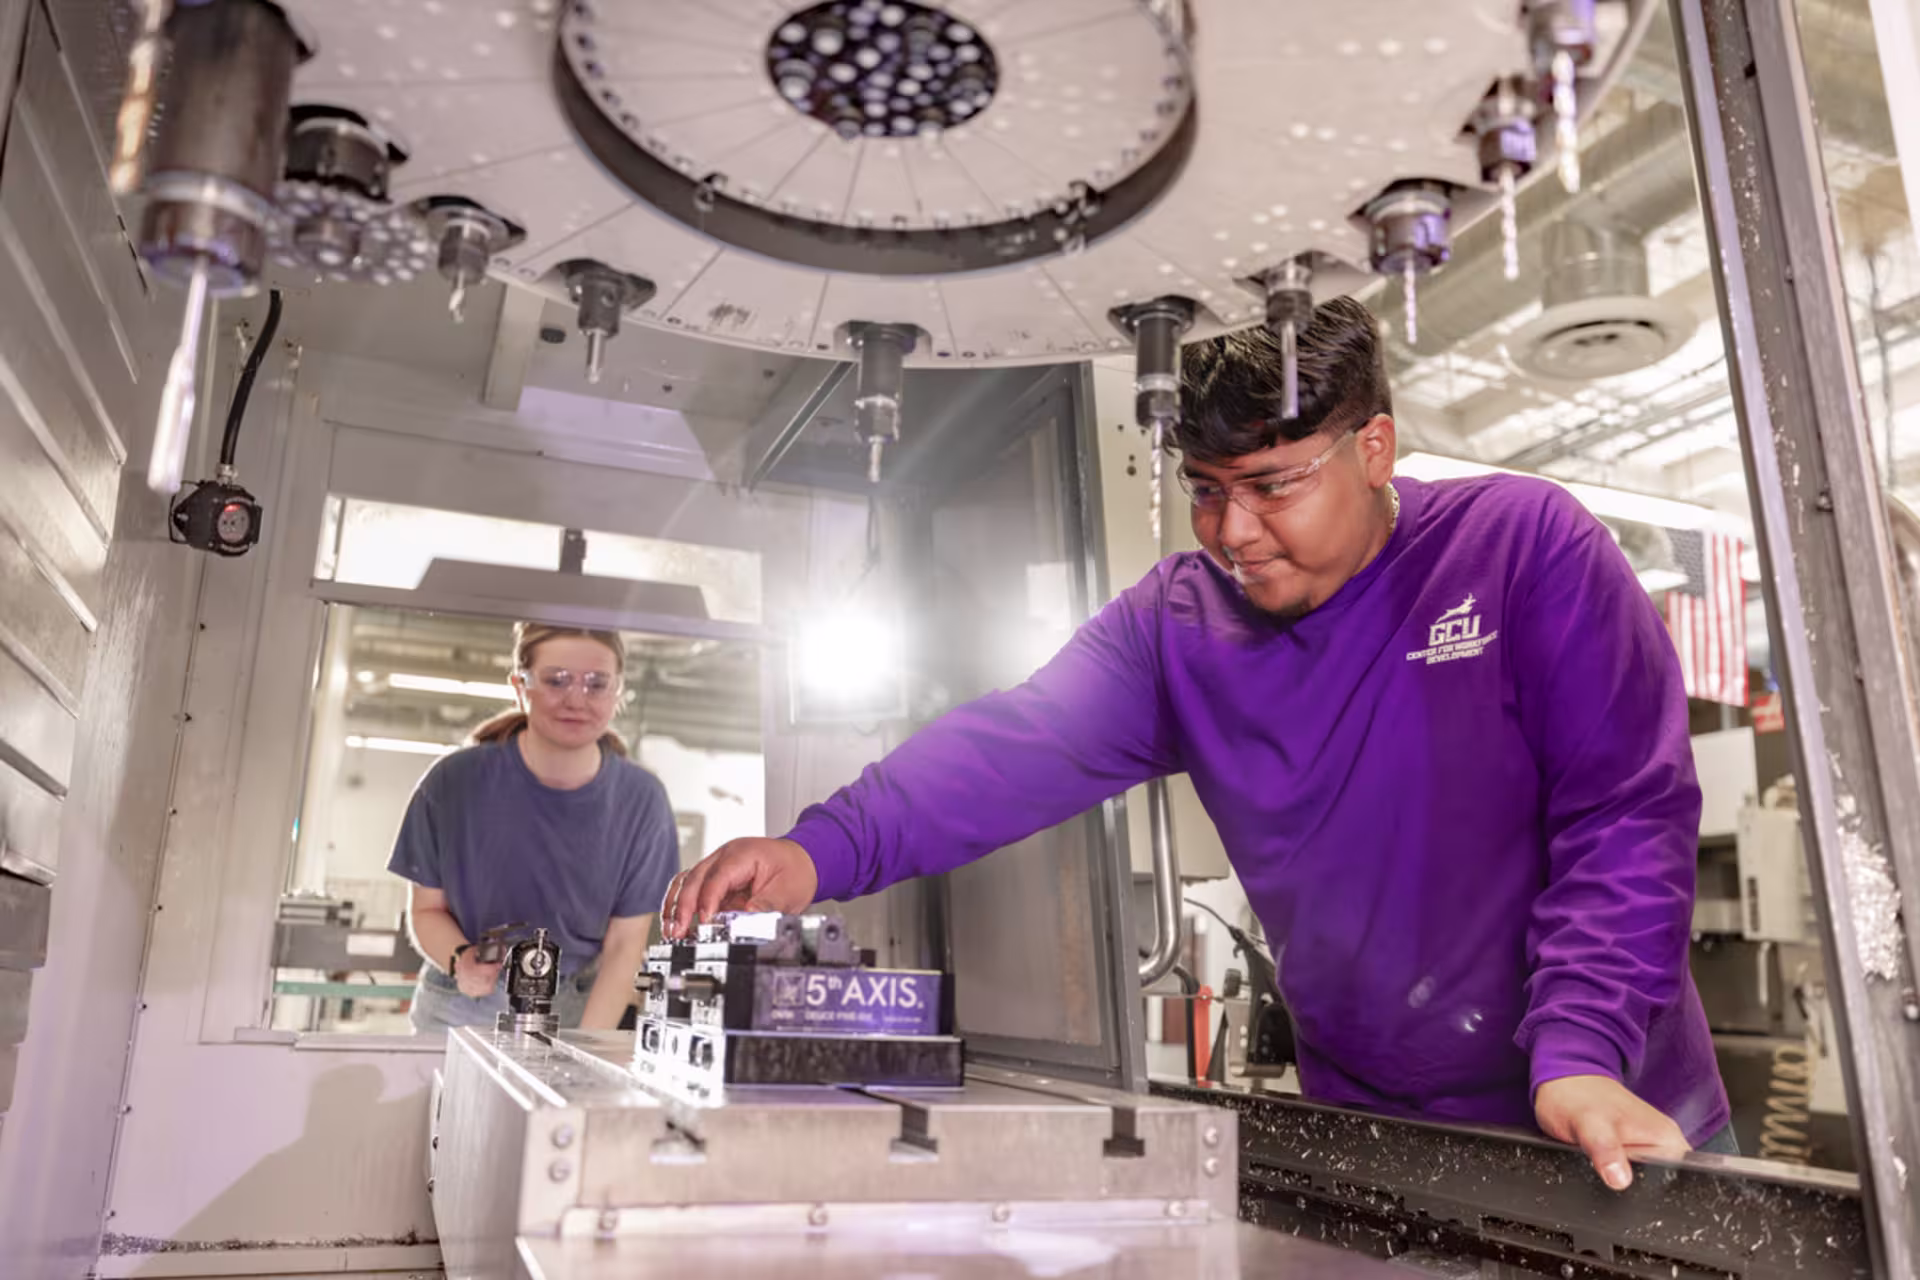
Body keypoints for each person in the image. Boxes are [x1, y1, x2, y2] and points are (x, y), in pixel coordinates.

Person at [662, 298, 1733, 1189]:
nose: (1233, 532)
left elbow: (1626, 819)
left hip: (1606, 1117)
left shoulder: (1524, 548)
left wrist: (1584, 1050)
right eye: (1206, 492)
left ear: (1374, 447)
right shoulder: (1180, 625)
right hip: (1377, 1131)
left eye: (1273, 485)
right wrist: (818, 850)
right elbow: (1010, 746)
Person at [390, 621, 678, 1032]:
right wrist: (461, 960)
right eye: (557, 680)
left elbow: (624, 946)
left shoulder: (642, 801)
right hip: (460, 1005)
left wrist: (584, 1049)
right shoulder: (453, 782)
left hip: (574, 1010)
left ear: (618, 691)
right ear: (520, 685)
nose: (576, 699)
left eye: (597, 683)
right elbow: (426, 910)